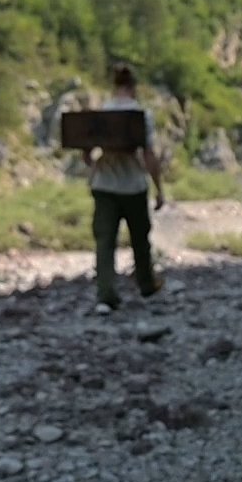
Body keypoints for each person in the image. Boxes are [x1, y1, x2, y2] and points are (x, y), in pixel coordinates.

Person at [82, 63, 167, 310]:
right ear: (133, 87)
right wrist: (159, 188)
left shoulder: (101, 114)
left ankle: (106, 295)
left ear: (115, 86)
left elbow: (86, 155)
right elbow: (149, 154)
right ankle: (147, 284)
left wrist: (95, 163)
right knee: (140, 238)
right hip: (133, 186)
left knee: (105, 241)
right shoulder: (141, 115)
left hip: (105, 186)